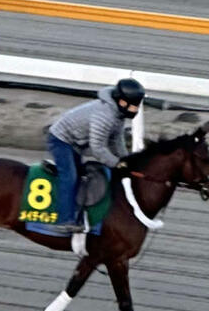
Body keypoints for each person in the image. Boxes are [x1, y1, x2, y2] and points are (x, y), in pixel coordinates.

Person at [46, 77, 145, 234]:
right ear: (122, 102)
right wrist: (117, 164)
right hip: (61, 140)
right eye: (134, 106)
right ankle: (64, 221)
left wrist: (127, 160)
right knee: (70, 177)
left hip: (76, 142)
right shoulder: (104, 116)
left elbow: (116, 142)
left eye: (137, 105)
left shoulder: (118, 115)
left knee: (81, 175)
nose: (136, 110)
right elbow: (98, 148)